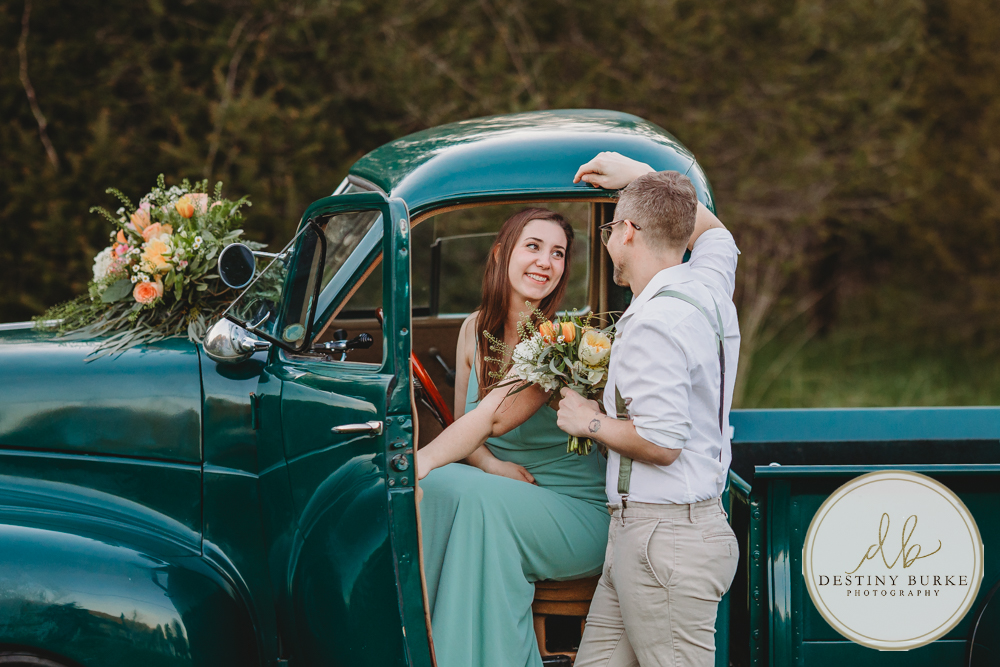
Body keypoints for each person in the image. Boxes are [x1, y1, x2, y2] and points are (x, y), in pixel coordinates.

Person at [557, 152, 741, 667]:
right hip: (647, 535)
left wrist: (588, 420)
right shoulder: (708, 283)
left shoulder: (654, 324)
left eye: (612, 225)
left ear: (629, 233)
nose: (609, 237)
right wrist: (641, 176)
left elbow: (662, 443)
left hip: (665, 540)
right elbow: (716, 234)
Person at [416, 207, 611, 667]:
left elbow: (489, 419)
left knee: (452, 488)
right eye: (534, 247)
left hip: (575, 509)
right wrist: (491, 466)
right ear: (503, 254)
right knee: (443, 488)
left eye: (558, 253)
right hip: (506, 493)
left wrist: (418, 461)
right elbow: (463, 426)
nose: (546, 261)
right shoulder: (473, 329)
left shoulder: (556, 341)